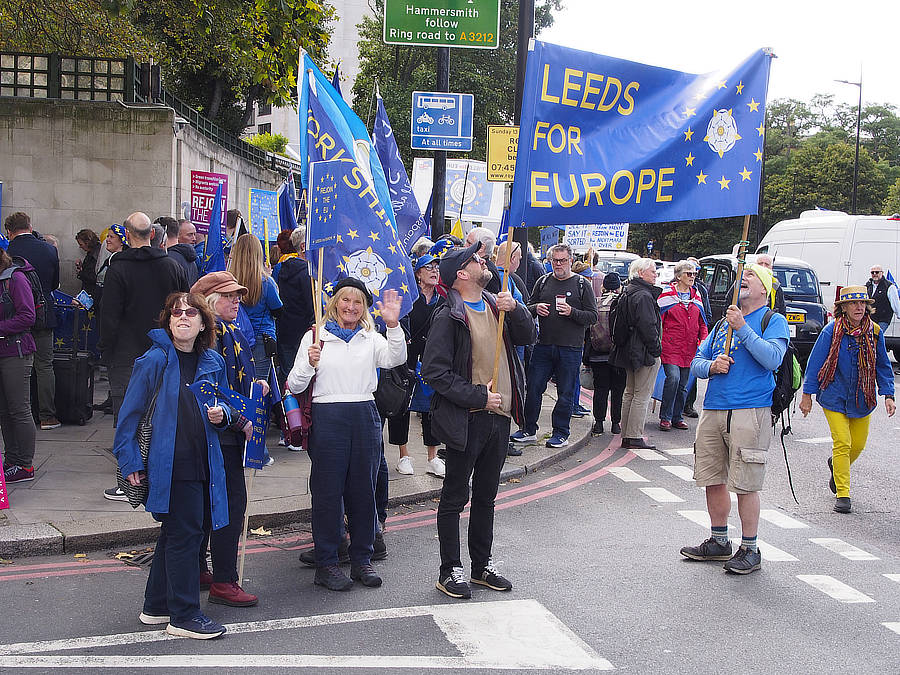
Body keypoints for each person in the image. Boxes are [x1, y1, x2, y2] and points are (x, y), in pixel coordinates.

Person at [113, 292, 231, 639]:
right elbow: (128, 417)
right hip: (170, 465)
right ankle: (184, 615)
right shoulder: (152, 361)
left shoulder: (213, 361)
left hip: (204, 462)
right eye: (176, 313)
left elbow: (226, 406)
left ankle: (157, 605)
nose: (183, 317)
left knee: (177, 534)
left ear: (202, 323)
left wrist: (223, 415)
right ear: (168, 320)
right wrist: (130, 459)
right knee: (186, 535)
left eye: (191, 313)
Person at [422, 241, 536, 599]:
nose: (483, 260)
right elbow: (434, 373)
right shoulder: (448, 316)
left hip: (499, 418)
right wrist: (477, 396)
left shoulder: (495, 303)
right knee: (455, 497)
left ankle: (481, 566)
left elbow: (529, 336)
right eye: (476, 259)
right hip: (467, 418)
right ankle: (449, 570)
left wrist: (516, 309)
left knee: (486, 496)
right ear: (461, 273)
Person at [287, 278, 406, 591]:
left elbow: (395, 358)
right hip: (328, 416)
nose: (351, 307)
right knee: (327, 493)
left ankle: (361, 560)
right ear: (334, 302)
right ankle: (326, 563)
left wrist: (393, 325)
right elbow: (295, 385)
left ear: (364, 307)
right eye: (346, 301)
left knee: (363, 490)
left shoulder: (370, 337)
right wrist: (309, 365)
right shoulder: (315, 335)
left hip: (364, 414)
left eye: (358, 302)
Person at [681, 264, 789, 575]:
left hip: (750, 409)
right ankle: (719, 541)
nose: (743, 280)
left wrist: (742, 327)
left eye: (751, 276)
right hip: (715, 409)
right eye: (742, 277)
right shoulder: (720, 325)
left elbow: (772, 359)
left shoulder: (772, 321)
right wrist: (712, 366)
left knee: (745, 483)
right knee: (711, 478)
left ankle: (750, 548)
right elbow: (696, 362)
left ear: (764, 290)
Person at [193, 272, 270, 606]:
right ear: (210, 300)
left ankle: (199, 568)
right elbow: (213, 390)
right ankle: (224, 581)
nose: (236, 301)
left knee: (208, 507)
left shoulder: (222, 330)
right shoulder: (213, 334)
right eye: (228, 296)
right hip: (221, 434)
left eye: (238, 295)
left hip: (220, 433)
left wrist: (257, 389)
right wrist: (241, 418)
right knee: (230, 506)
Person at [100, 212, 189, 500]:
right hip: (165, 349)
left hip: (127, 353)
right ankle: (161, 471)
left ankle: (129, 478)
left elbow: (109, 315)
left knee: (128, 414)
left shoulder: (117, 269)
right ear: (152, 234)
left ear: (127, 235)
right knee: (162, 413)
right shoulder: (172, 266)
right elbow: (184, 306)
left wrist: (107, 349)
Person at [799, 285, 895, 513]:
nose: (859, 307)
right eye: (854, 303)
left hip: (862, 397)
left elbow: (883, 365)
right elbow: (814, 364)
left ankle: (836, 465)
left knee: (858, 444)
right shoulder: (831, 331)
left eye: (862, 303)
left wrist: (888, 395)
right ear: (843, 308)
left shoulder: (874, 332)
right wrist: (807, 395)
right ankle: (843, 494)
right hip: (833, 395)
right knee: (843, 442)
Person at [510, 243, 597, 449]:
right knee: (533, 388)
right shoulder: (543, 282)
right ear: (549, 261)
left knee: (565, 393)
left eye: (563, 260)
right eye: (554, 261)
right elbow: (527, 308)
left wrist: (572, 312)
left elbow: (592, 316)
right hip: (544, 345)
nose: (558, 264)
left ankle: (561, 433)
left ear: (570, 260)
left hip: (571, 348)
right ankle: (528, 429)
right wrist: (535, 307)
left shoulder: (582, 285)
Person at [5, 212, 60, 431]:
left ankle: (20, 414)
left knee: (16, 367)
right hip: (43, 313)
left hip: (13, 317)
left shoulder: (8, 252)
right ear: (30, 225)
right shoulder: (48, 249)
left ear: (9, 231)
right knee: (45, 365)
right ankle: (47, 416)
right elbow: (55, 282)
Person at [392, 254, 445, 477]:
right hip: (408, 360)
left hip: (432, 362)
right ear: (418, 273)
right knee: (401, 407)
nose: (434, 271)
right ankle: (404, 456)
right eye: (428, 267)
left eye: (436, 267)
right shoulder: (408, 298)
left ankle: (433, 458)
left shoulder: (443, 299)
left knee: (431, 409)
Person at [609, 258, 662, 450]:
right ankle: (635, 435)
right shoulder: (644, 296)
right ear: (641, 273)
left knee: (629, 393)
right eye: (653, 271)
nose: (656, 275)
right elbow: (648, 326)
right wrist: (656, 350)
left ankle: (627, 434)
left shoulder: (628, 291)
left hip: (629, 350)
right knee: (641, 394)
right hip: (643, 351)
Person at [0, 248, 38, 483]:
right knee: (4, 411)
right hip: (4, 351)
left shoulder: (15, 279)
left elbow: (27, 316)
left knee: (19, 409)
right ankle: (11, 460)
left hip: (16, 352)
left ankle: (25, 464)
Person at [657, 260, 708, 431]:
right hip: (670, 347)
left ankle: (677, 417)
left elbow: (702, 322)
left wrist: (703, 340)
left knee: (683, 385)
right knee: (673, 379)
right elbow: (659, 323)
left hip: (690, 349)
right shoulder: (666, 296)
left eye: (694, 274)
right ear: (678, 276)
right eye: (689, 273)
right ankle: (665, 417)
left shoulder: (697, 296)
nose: (693, 277)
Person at [229, 234, 282, 379]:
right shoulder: (265, 282)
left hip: (235, 336)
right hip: (262, 338)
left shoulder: (228, 281)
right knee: (260, 385)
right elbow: (278, 311)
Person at [585, 273, 625, 436]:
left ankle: (599, 423)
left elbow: (588, 331)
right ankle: (616, 423)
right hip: (618, 355)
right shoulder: (622, 303)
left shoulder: (595, 302)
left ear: (603, 287)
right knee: (618, 390)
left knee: (600, 389)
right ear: (618, 287)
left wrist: (586, 357)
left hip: (597, 354)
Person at [273, 227, 314, 385]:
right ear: (303, 246)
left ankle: (286, 407)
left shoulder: (279, 268)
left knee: (287, 375)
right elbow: (311, 306)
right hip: (303, 333)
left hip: (285, 330)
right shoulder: (307, 273)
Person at [464, 227, 502, 293]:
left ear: (481, 247)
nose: (465, 245)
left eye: (469, 243)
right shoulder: (477, 265)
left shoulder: (488, 271)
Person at [164, 218, 199, 287]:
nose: (194, 238)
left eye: (194, 234)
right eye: (190, 235)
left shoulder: (170, 257)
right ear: (178, 235)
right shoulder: (190, 258)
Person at [75, 228, 102, 300]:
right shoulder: (93, 252)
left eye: (81, 244)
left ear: (87, 242)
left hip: (92, 293)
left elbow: (93, 277)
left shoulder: (95, 256)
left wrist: (81, 273)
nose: (80, 247)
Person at [866, 265, 893, 335]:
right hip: (871, 318)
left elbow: (895, 303)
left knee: (876, 335)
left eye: (877, 272)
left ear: (882, 273)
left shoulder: (889, 286)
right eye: (872, 272)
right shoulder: (868, 286)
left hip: (883, 319)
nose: (875, 274)